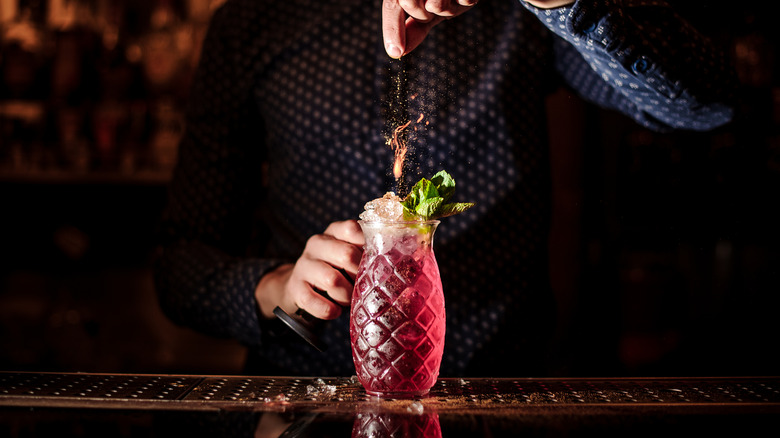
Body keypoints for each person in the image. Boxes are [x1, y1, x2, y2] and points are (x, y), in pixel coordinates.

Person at [152, 0, 736, 377]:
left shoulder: (513, 15)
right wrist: (274, 287)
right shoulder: (253, 23)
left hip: (499, 389)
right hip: (305, 396)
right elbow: (180, 267)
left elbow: (706, 105)